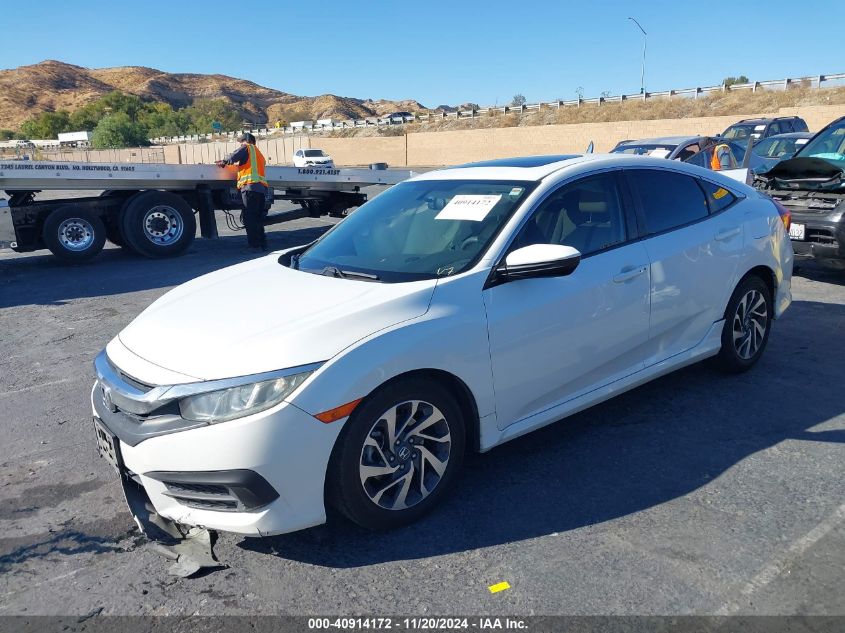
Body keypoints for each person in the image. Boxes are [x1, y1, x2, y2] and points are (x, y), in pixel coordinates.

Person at [216, 133, 269, 250]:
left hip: (250, 188)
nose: (240, 145)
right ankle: (262, 244)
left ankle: (254, 245)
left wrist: (224, 161)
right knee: (258, 218)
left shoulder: (247, 148)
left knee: (249, 217)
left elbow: (234, 156)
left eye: (241, 142)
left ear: (246, 141)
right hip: (260, 189)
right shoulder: (260, 154)